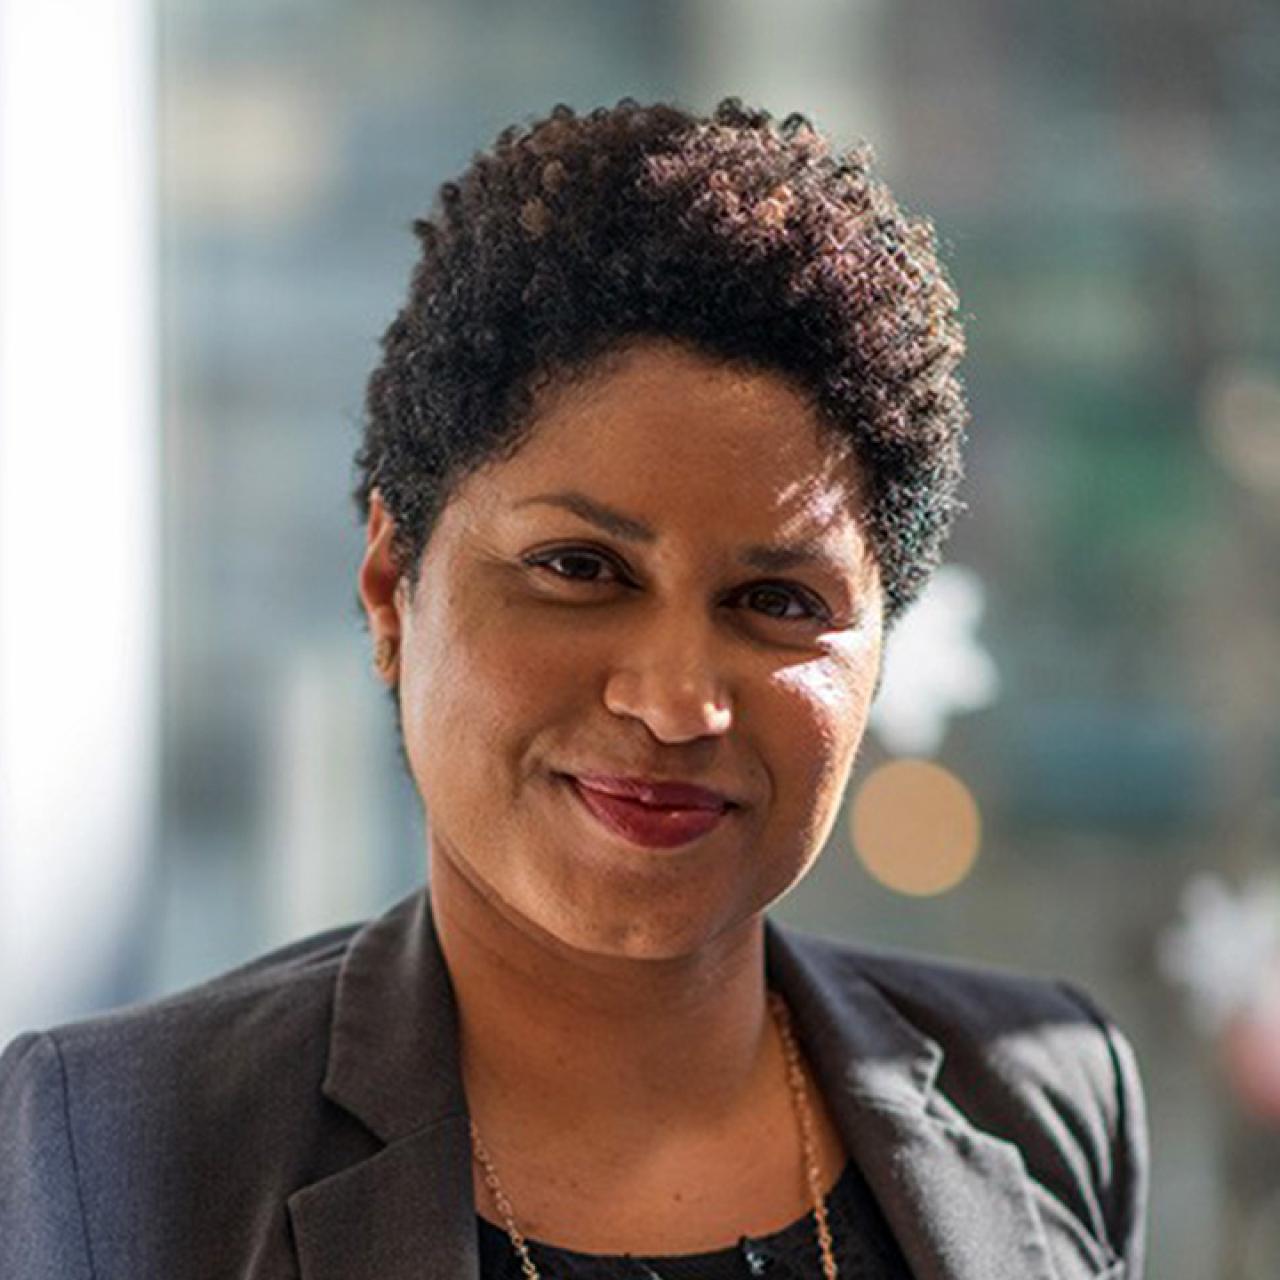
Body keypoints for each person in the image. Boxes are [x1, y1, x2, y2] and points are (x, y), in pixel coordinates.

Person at [0, 99, 1147, 1279]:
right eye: (580, 568)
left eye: (775, 599)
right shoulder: (111, 1148)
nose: (675, 701)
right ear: (391, 585)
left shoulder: (1039, 1096)